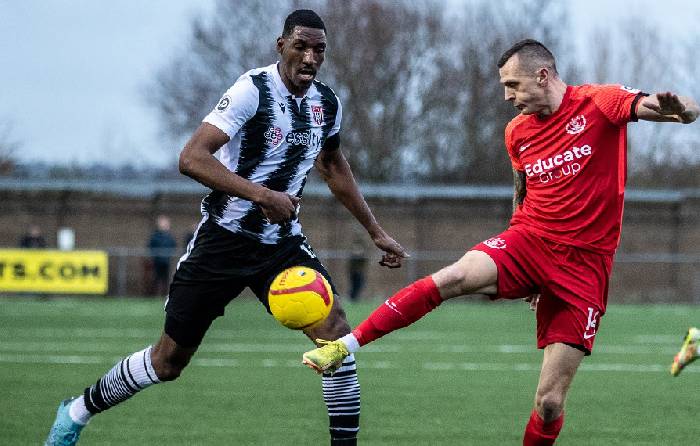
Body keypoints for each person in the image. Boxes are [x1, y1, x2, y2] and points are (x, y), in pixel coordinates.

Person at [302, 39, 699, 445]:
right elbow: (521, 191)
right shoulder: (517, 131)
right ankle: (345, 346)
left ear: (542, 75)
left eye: (513, 84)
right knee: (453, 276)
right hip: (528, 241)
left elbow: (675, 107)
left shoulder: (600, 102)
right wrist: (524, 265)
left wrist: (681, 109)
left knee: (549, 403)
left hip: (585, 268)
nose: (507, 96)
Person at [45, 9, 406, 446]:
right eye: (301, 46)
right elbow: (192, 157)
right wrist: (262, 195)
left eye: (319, 50)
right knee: (167, 362)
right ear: (281, 46)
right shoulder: (251, 90)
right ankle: (77, 411)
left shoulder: (327, 104)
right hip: (222, 241)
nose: (310, 57)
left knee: (336, 340)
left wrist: (375, 231)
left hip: (281, 245)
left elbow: (333, 165)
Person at [147, 215, 177, 296]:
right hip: (157, 261)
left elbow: (173, 245)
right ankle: (153, 295)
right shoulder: (155, 236)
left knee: (166, 279)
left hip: (166, 261)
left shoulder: (169, 236)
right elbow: (150, 246)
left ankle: (164, 295)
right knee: (156, 278)